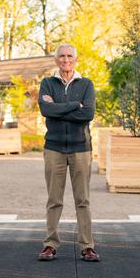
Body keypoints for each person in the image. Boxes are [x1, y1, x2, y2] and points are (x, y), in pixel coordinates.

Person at [37, 43, 99, 262]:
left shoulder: (87, 84)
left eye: (69, 56)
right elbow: (46, 110)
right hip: (54, 147)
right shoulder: (47, 83)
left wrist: (59, 109)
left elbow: (88, 114)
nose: (66, 60)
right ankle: (50, 245)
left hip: (81, 148)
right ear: (56, 60)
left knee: (83, 200)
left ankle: (87, 247)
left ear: (76, 59)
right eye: (62, 56)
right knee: (54, 199)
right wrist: (75, 106)